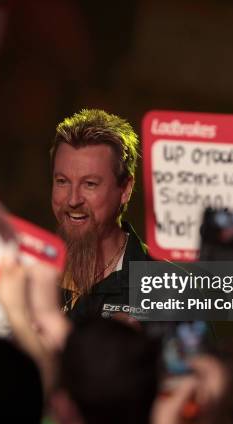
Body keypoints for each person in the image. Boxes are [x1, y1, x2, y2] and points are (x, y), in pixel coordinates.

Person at [50, 109, 152, 321]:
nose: (73, 199)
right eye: (62, 181)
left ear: (125, 189)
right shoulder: (29, 275)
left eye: (90, 184)